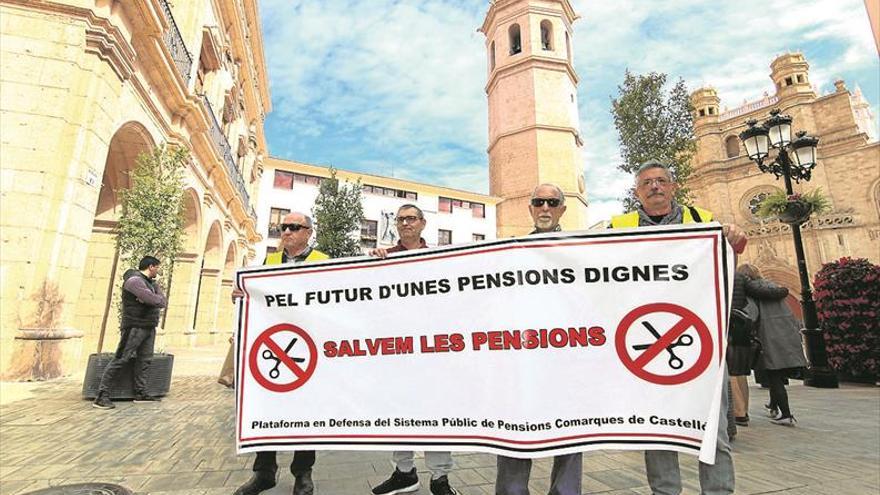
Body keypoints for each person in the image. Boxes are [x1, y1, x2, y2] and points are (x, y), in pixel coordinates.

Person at [610, 160, 746, 495]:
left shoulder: (702, 221)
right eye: (647, 183)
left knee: (712, 430)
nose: (654, 187)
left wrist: (733, 240)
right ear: (637, 192)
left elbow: (726, 267)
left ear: (673, 186)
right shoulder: (617, 227)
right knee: (657, 430)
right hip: (642, 340)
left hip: (700, 342)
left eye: (661, 181)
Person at [495, 184, 582, 495]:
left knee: (572, 433)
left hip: (569, 357)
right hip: (522, 360)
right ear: (530, 208)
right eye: (538, 202)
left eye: (552, 202)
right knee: (516, 431)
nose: (545, 207)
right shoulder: (510, 252)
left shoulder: (584, 250)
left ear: (562, 209)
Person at [233, 212, 329, 495]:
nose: (285, 231)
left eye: (293, 227)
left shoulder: (323, 262)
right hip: (273, 345)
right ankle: (264, 472)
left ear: (308, 232)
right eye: (283, 226)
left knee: (307, 412)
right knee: (265, 408)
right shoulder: (270, 261)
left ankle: (303, 473)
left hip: (308, 347)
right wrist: (242, 296)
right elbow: (258, 296)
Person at [368, 204, 460, 495]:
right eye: (401, 219)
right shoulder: (383, 258)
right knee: (398, 411)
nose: (405, 223)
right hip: (395, 352)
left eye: (411, 218)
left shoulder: (439, 258)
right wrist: (372, 265)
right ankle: (404, 473)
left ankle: (440, 478)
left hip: (433, 353)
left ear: (423, 223)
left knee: (436, 412)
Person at [93, 256, 167, 410]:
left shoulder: (151, 283)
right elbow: (154, 300)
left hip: (148, 326)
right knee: (121, 358)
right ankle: (101, 395)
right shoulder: (134, 281)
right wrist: (151, 299)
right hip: (134, 326)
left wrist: (151, 299)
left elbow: (161, 301)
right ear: (151, 266)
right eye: (157, 267)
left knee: (145, 359)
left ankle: (140, 393)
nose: (158, 271)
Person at [738, 264, 807, 426]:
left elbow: (751, 315)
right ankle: (773, 405)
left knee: (773, 375)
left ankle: (786, 414)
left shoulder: (752, 293)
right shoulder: (774, 287)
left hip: (768, 336)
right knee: (777, 373)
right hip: (786, 333)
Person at [727, 272, 759, 428]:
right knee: (740, 372)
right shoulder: (740, 277)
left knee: (730, 370)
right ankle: (744, 409)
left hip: (729, 326)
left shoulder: (714, 272)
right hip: (742, 326)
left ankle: (738, 411)